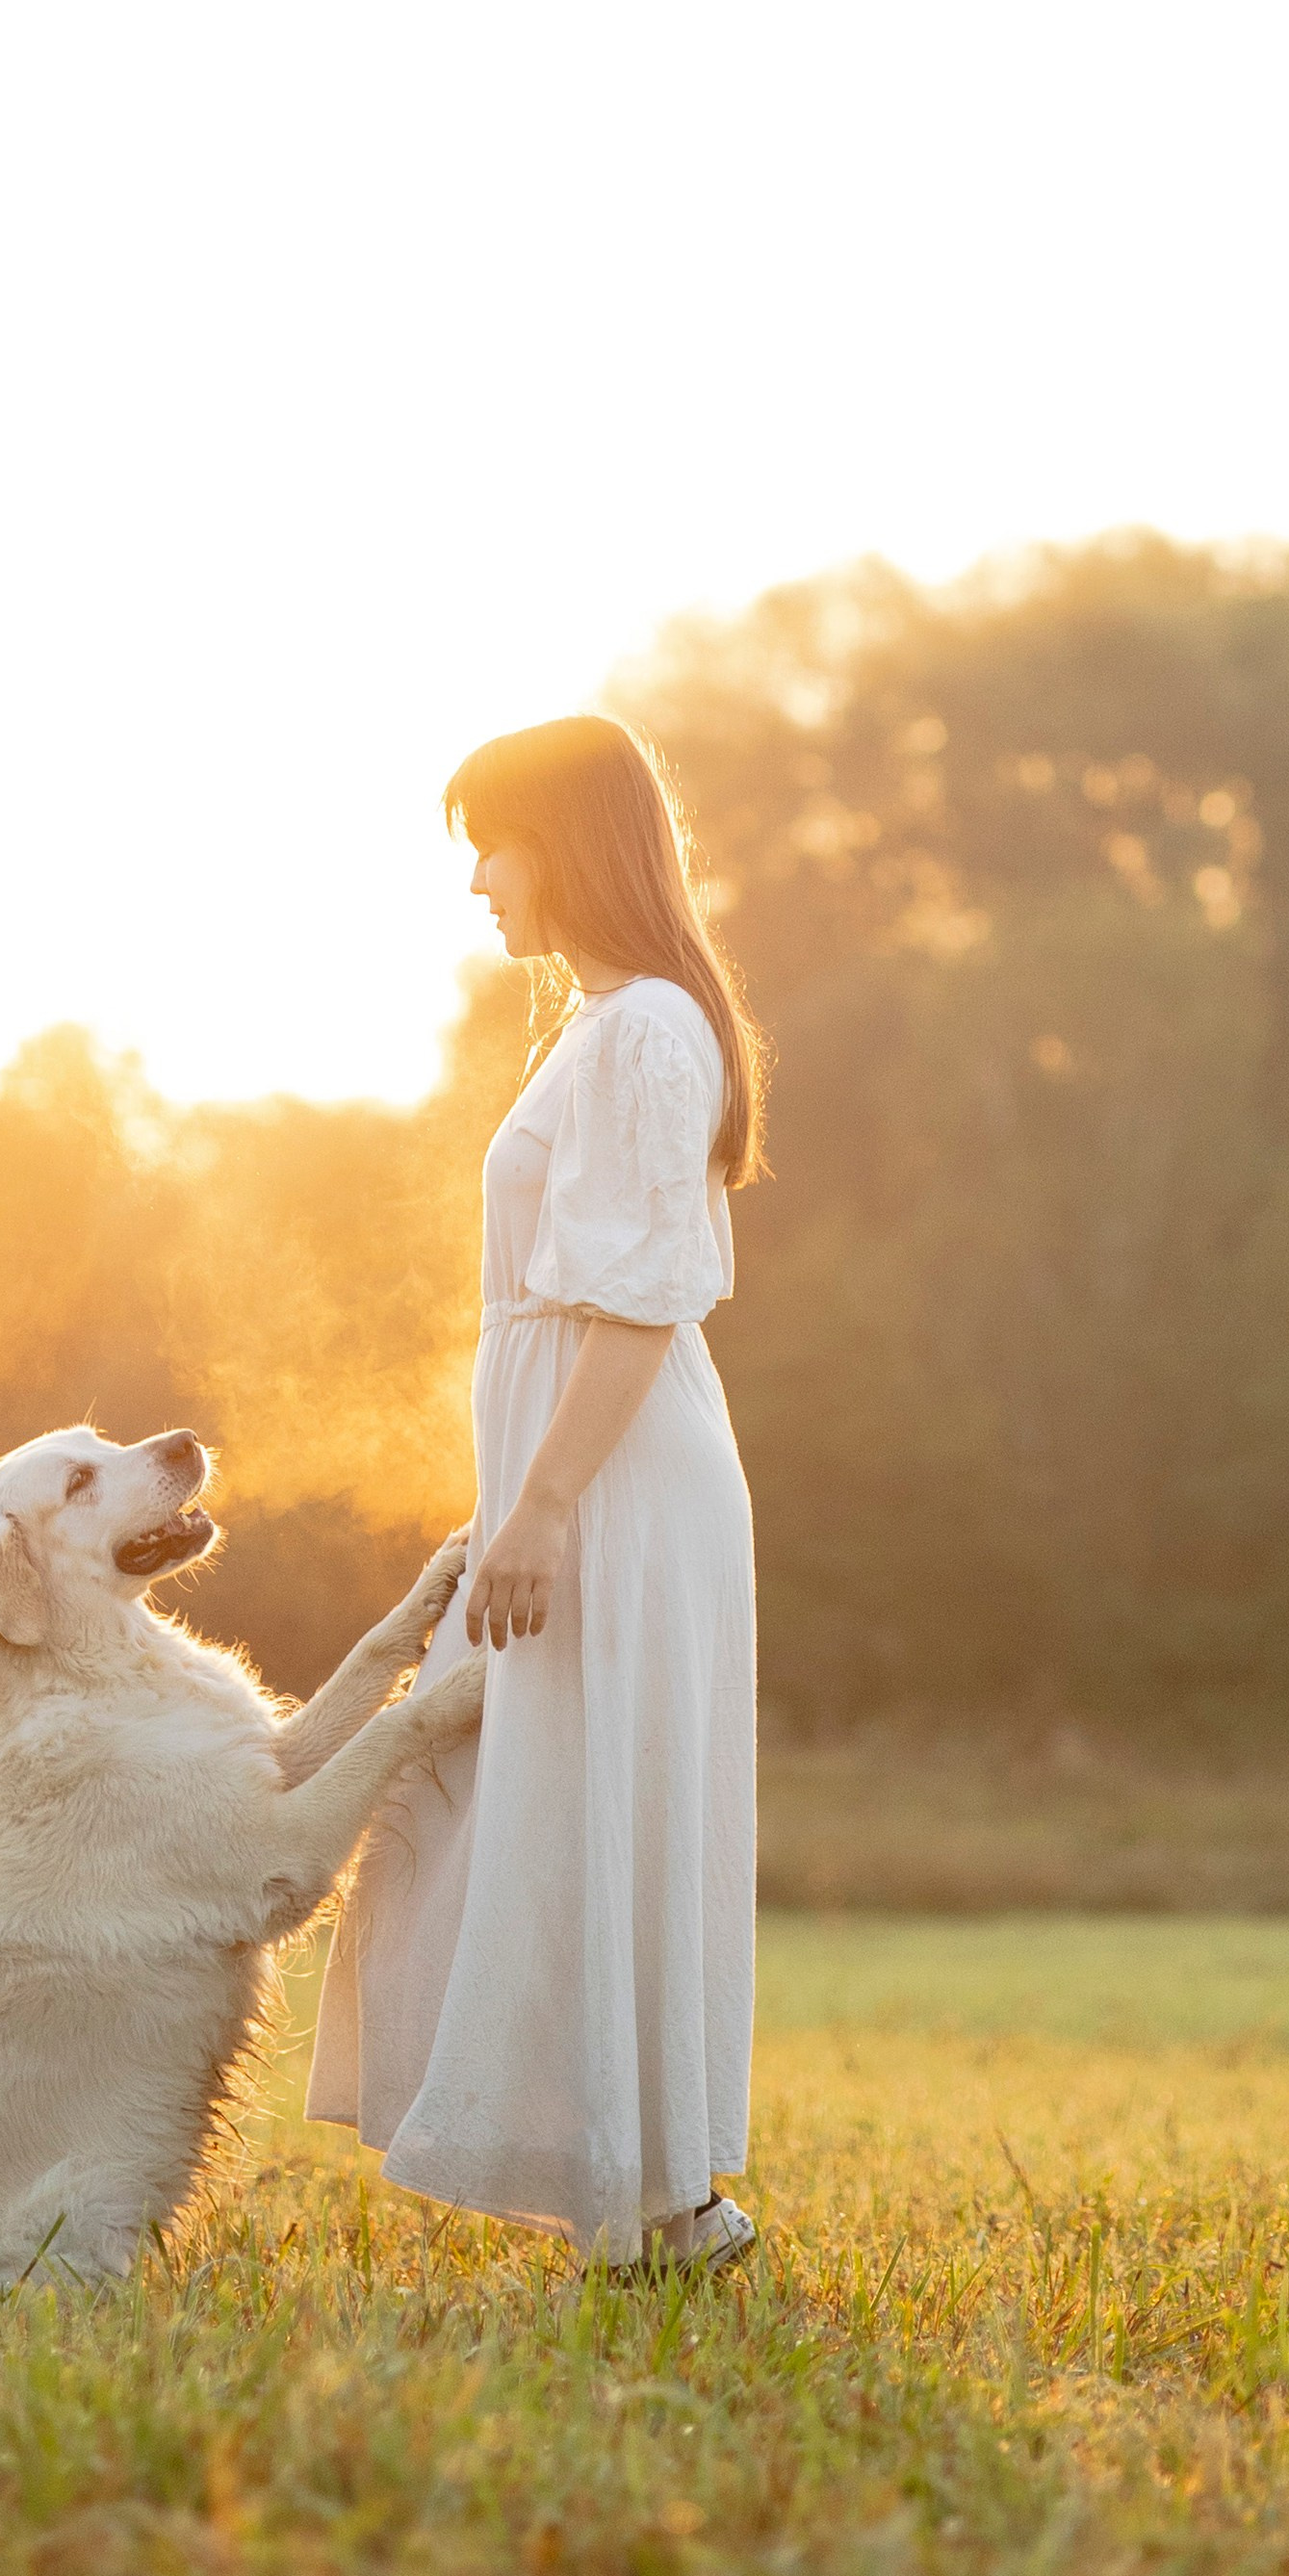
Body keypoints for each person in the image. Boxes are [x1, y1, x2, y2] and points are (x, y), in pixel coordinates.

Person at [307, 712, 765, 2267]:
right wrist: (512, 1491)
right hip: (577, 1465)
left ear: (565, 842)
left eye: (492, 845)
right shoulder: (595, 1025)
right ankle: (646, 2205)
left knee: (581, 1793)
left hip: (619, 1478)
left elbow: (639, 1305)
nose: (480, 884)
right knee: (513, 1797)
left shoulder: (645, 1027)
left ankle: (664, 2209)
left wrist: (550, 1502)